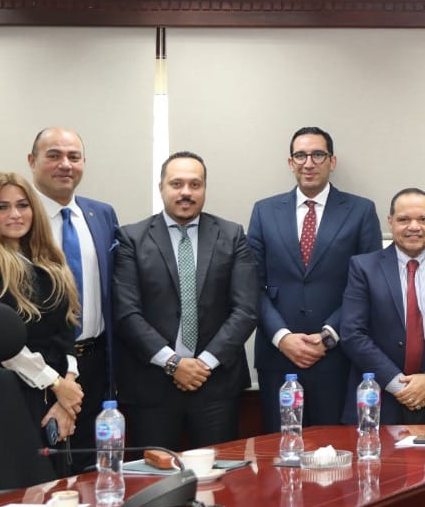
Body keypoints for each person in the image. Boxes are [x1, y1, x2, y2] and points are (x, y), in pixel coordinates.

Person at [112, 152, 260, 451]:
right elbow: (126, 312)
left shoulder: (232, 235)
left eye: (195, 184)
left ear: (204, 188)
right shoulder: (131, 238)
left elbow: (245, 310)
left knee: (220, 473)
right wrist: (173, 363)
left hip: (216, 385)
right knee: (154, 475)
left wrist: (203, 364)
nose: (186, 192)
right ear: (161, 188)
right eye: (176, 184)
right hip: (151, 387)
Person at [248, 126, 381, 429]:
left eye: (318, 155)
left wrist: (328, 336)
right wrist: (282, 337)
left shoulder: (360, 211)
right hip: (278, 357)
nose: (309, 163)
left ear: (332, 161)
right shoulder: (264, 211)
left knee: (336, 450)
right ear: (290, 162)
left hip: (337, 358)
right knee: (281, 448)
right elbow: (251, 285)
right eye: (300, 155)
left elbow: (368, 285)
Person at [0, 171, 84, 447]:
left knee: (56, 473)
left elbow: (66, 329)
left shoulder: (47, 261)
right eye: (2, 207)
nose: (15, 214)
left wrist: (68, 388)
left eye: (23, 205)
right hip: (8, 394)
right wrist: (56, 384)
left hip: (54, 393)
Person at [339, 188, 425, 425]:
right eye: (403, 219)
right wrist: (399, 385)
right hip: (378, 400)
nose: (414, 227)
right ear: (390, 222)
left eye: (422, 219)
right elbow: (353, 333)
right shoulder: (363, 268)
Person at [26, 127, 119, 451]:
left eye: (73, 157)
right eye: (54, 156)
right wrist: (57, 380)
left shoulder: (102, 215)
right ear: (32, 161)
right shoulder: (19, 218)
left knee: (91, 463)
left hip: (96, 363)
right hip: (40, 366)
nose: (65, 164)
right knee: (44, 464)